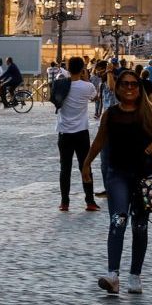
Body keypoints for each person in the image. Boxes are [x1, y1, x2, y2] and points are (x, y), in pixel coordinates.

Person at [84, 67, 152, 295]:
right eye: (124, 84)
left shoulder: (151, 113)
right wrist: (86, 164)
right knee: (118, 219)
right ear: (118, 87)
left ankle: (135, 274)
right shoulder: (111, 114)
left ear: (139, 88)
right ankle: (113, 274)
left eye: (133, 84)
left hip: (144, 175)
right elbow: (98, 141)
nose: (129, 88)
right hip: (117, 174)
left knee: (140, 226)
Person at [53, 57, 99, 212]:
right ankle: (90, 201)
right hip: (81, 132)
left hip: (64, 131)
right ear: (82, 69)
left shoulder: (61, 85)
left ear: (68, 68)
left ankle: (64, 202)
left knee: (65, 168)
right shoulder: (88, 87)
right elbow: (95, 97)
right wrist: (86, 78)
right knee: (85, 166)